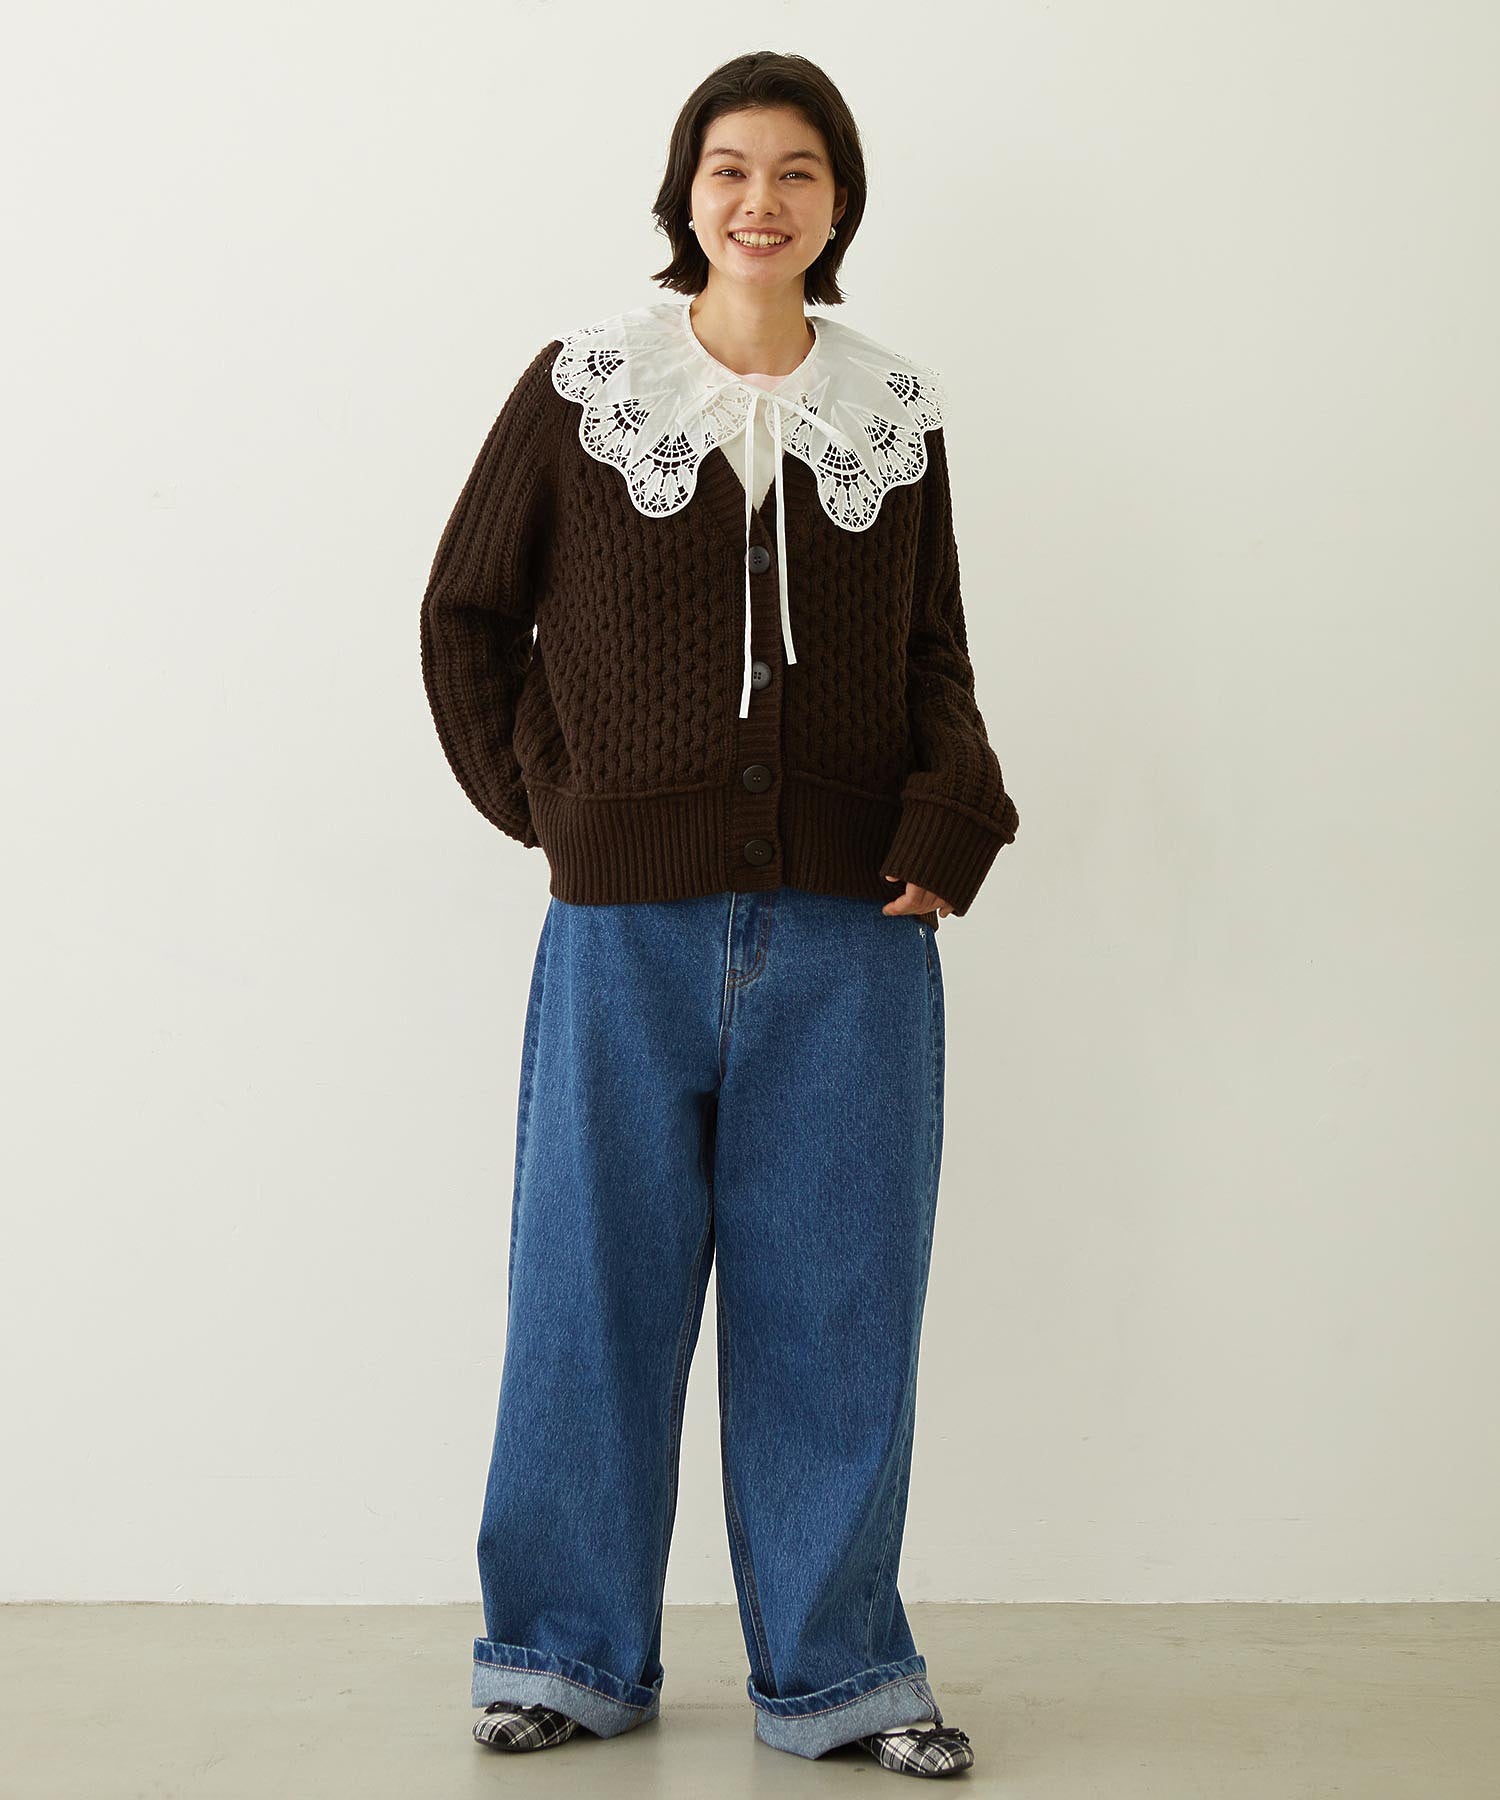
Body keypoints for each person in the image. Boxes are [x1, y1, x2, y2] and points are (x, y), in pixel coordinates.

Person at [419, 49, 1019, 1781]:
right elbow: (468, 615)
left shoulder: (892, 413)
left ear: (839, 204)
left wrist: (952, 820)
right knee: (587, 1296)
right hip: (625, 935)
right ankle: (561, 1658)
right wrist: (559, 815)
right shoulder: (586, 389)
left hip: (852, 936)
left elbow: (933, 656)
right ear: (688, 192)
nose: (762, 199)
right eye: (731, 167)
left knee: (836, 1306)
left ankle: (839, 1679)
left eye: (798, 172)